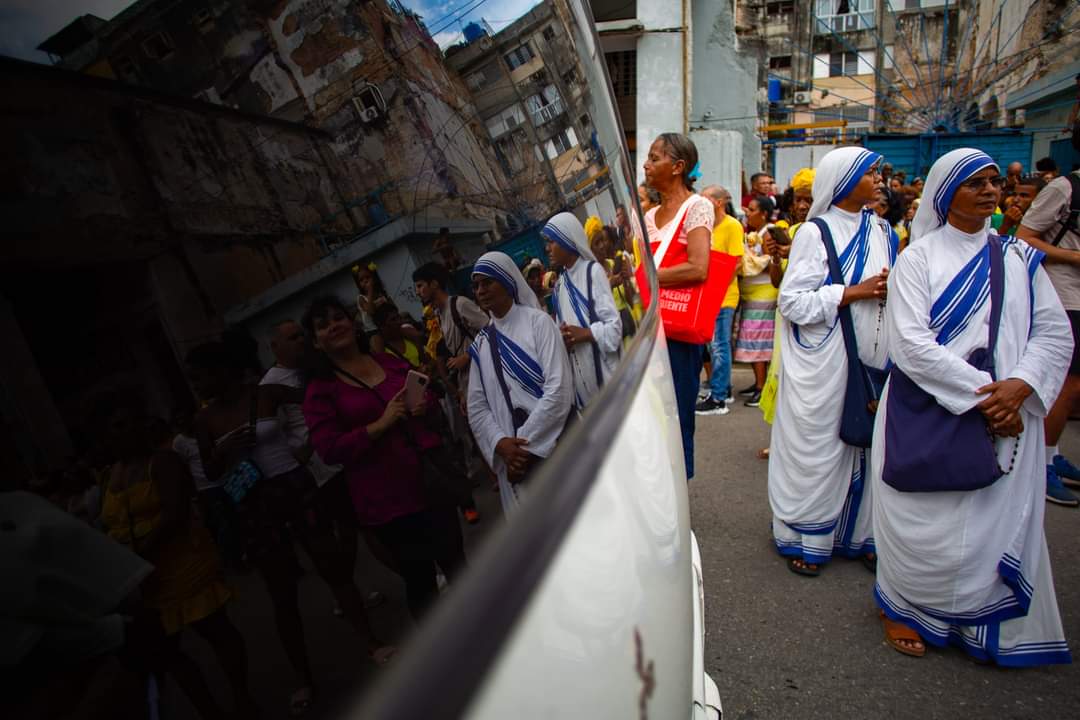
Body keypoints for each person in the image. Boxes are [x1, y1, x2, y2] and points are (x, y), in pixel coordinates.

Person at [871, 148, 1072, 665]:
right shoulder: (918, 257)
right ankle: (905, 607)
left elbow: (1053, 332)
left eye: (991, 182)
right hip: (931, 404)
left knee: (991, 515)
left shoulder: (1020, 258)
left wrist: (1022, 386)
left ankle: (983, 620)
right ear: (945, 192)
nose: (988, 190)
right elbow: (910, 343)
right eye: (973, 183)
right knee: (920, 513)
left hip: (1008, 409)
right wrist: (988, 395)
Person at [188, 340, 391, 716]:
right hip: (254, 502)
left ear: (224, 369)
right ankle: (302, 677)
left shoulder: (268, 394)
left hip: (294, 485)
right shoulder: (204, 420)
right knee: (280, 591)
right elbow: (210, 472)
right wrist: (223, 451)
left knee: (331, 566)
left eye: (201, 376)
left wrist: (310, 444)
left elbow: (316, 404)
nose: (197, 385)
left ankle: (371, 642)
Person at [301, 296, 467, 621]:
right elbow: (329, 448)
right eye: (323, 325)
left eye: (339, 317)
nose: (335, 325)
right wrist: (379, 425)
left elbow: (427, 395)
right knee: (421, 583)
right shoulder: (321, 392)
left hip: (430, 480)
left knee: (458, 566)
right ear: (316, 343)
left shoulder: (388, 362)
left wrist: (422, 403)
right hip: (389, 503)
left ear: (353, 323)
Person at [95, 390, 258, 720]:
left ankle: (243, 700)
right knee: (167, 651)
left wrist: (136, 557)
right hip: (143, 577)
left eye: (130, 423)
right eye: (115, 426)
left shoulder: (164, 461)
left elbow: (174, 515)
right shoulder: (109, 474)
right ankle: (212, 713)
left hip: (181, 564)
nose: (125, 431)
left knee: (216, 630)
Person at [769, 146, 894, 576]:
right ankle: (809, 537)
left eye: (879, 172)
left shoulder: (882, 229)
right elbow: (792, 302)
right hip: (827, 361)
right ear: (842, 180)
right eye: (869, 172)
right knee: (822, 448)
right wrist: (852, 292)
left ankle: (861, 536)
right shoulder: (814, 232)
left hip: (873, 354)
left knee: (867, 448)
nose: (879, 179)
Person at [465, 252, 573, 513]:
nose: (481, 291)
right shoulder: (480, 345)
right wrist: (500, 444)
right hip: (514, 463)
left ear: (507, 281)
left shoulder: (539, 323)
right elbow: (477, 408)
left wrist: (520, 446)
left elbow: (558, 390)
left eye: (488, 282)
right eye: (476, 285)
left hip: (555, 448)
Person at [643, 132, 714, 479]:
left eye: (655, 158)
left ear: (678, 167)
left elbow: (699, 268)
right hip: (649, 331)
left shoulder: (697, 207)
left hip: (678, 336)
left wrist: (646, 278)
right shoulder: (649, 213)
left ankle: (678, 501)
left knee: (677, 416)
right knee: (650, 418)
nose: (646, 164)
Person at [371, 303, 482, 524]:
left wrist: (426, 370)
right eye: (391, 319)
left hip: (430, 404)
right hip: (409, 412)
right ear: (381, 326)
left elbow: (429, 361)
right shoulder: (379, 352)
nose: (397, 321)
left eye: (396, 316)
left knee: (450, 452)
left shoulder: (410, 339)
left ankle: (466, 503)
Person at [1017, 166, 1080, 506]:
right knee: (1068, 384)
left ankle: (1052, 454)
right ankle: (1040, 465)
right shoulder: (1064, 188)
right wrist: (1073, 256)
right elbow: (1025, 236)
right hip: (1064, 294)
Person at [543, 212, 622, 410]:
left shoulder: (592, 271)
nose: (548, 248)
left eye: (552, 241)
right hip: (584, 389)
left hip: (608, 382)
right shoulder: (560, 286)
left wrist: (586, 333)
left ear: (567, 240)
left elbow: (614, 330)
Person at [696, 184, 744, 416]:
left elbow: (736, 263)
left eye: (704, 199)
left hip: (723, 297)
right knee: (713, 345)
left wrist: (714, 286)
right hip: (707, 295)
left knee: (719, 346)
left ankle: (718, 398)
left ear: (719, 202)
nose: (700, 202)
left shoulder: (732, 226)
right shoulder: (704, 226)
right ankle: (722, 389)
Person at [734, 195, 778, 407]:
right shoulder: (755, 233)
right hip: (752, 295)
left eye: (752, 210)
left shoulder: (768, 233)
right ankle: (757, 383)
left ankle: (762, 386)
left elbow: (771, 263)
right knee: (751, 338)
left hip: (763, 296)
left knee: (757, 341)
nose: (747, 213)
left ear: (764, 214)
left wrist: (752, 258)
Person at [352, 262, 395, 353]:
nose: (365, 281)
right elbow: (370, 311)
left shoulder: (381, 293)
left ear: (374, 278)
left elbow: (393, 308)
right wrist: (370, 290)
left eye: (368, 277)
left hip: (388, 326)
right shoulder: (361, 298)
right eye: (361, 280)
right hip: (373, 331)